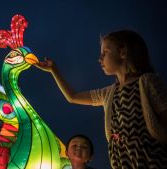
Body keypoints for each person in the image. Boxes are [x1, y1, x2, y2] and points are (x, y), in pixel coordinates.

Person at [35, 30, 167, 168]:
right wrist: (53, 70)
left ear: (123, 52)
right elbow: (72, 97)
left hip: (150, 158)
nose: (100, 59)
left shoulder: (147, 82)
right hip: (121, 161)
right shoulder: (109, 93)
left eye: (105, 53)